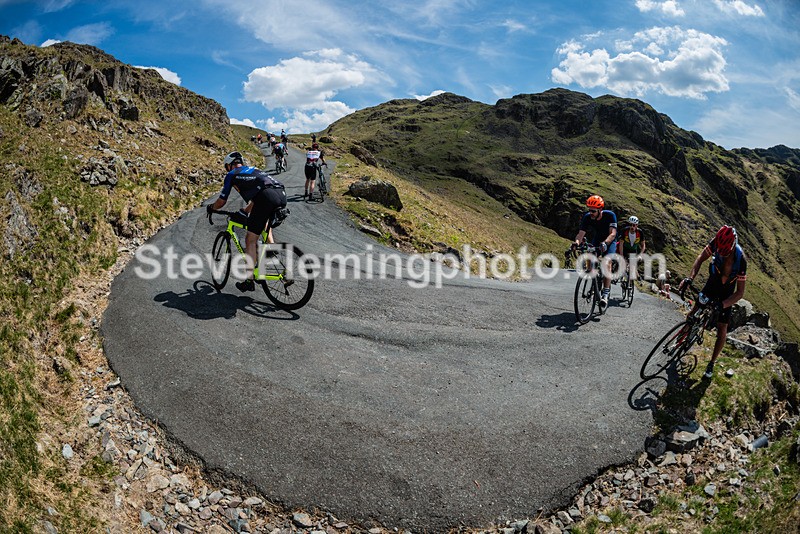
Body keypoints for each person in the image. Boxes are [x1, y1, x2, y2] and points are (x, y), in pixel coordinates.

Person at [206, 152, 287, 292]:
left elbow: (221, 201)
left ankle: (249, 281)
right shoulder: (253, 170)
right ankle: (271, 248)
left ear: (229, 165)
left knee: (250, 239)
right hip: (281, 194)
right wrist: (244, 210)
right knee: (263, 220)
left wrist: (211, 207)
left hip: (266, 197)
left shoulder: (232, 174)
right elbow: (258, 196)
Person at [678, 225, 747, 378]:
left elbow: (740, 292)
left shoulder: (741, 259)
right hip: (713, 282)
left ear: (733, 244)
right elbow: (700, 259)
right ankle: (681, 336)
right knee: (695, 309)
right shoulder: (716, 242)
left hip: (727, 292)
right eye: (719, 251)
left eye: (725, 251)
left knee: (722, 327)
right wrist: (690, 278)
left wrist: (722, 305)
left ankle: (712, 363)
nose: (721, 253)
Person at [573, 195, 618, 308]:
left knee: (607, 262)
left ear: (600, 210)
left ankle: (606, 293)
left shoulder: (610, 215)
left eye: (593, 211)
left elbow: (613, 233)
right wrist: (576, 243)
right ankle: (594, 281)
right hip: (597, 239)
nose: (590, 213)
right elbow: (580, 234)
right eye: (589, 210)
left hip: (609, 240)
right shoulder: (587, 217)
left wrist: (606, 243)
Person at [618, 215, 646, 282]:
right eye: (630, 225)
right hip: (625, 249)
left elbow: (643, 245)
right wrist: (621, 255)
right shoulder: (625, 231)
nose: (632, 227)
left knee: (632, 266)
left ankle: (635, 279)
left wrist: (640, 255)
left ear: (637, 225)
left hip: (633, 250)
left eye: (634, 225)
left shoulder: (640, 232)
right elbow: (621, 244)